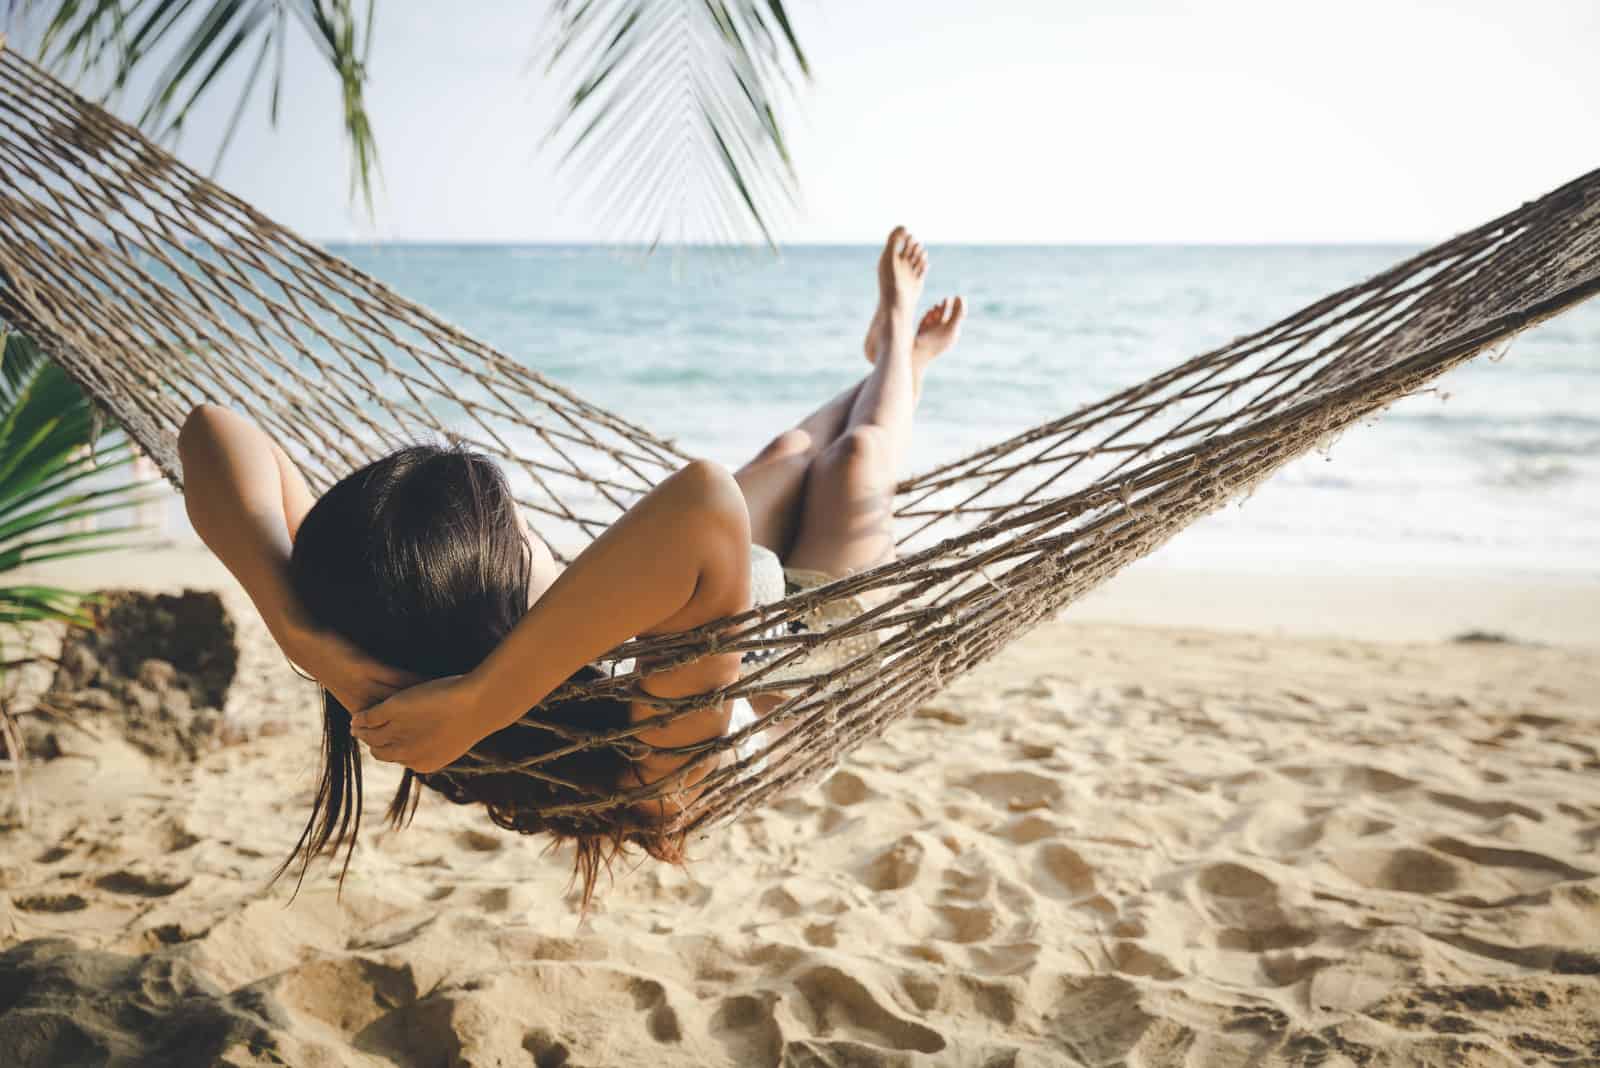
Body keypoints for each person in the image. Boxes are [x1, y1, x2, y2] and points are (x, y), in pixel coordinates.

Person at [178, 228, 966, 903]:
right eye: (531, 545)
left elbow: (212, 430)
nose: (546, 542)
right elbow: (702, 502)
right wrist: (483, 700)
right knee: (856, 456)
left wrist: (303, 640)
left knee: (791, 452)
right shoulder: (647, 745)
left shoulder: (390, 653)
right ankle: (901, 352)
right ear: (499, 614)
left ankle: (878, 370)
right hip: (792, 640)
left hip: (706, 583)